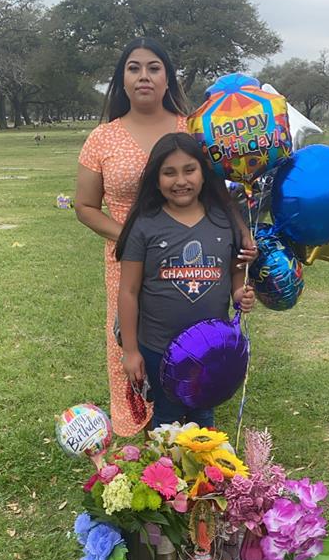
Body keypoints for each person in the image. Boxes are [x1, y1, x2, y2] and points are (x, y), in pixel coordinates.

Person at [75, 37, 256, 436]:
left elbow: (220, 187)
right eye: (134, 67)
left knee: (193, 334)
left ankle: (194, 411)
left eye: (154, 68)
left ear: (167, 77)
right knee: (136, 342)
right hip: (129, 259)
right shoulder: (102, 138)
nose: (144, 76)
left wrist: (241, 229)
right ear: (121, 79)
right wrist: (135, 238)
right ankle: (146, 431)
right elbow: (85, 207)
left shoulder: (189, 127)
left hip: (196, 258)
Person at [116, 132, 255, 429]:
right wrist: (130, 351)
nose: (180, 180)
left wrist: (239, 293)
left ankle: (204, 476)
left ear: (205, 174)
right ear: (156, 179)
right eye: (169, 172)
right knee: (166, 423)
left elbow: (234, 271)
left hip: (212, 348)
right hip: (158, 348)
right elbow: (128, 291)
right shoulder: (145, 225)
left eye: (189, 170)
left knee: (204, 418)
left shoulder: (223, 221)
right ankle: (164, 476)